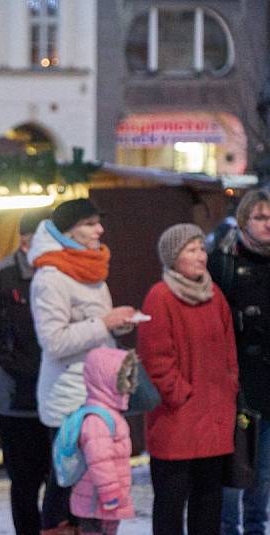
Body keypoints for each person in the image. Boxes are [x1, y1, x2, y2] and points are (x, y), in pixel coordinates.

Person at [27, 198, 137, 534]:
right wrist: (104, 323)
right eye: (90, 224)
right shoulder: (50, 277)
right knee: (67, 482)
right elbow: (54, 341)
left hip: (97, 396)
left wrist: (116, 325)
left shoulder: (92, 269)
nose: (99, 230)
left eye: (98, 222)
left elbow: (92, 328)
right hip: (68, 399)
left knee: (92, 486)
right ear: (68, 231)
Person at [137, 223, 238, 535]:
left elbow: (229, 349)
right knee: (170, 504)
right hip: (176, 421)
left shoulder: (214, 294)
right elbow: (156, 360)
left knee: (208, 505)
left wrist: (228, 388)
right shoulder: (160, 296)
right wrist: (182, 395)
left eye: (201, 249)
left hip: (215, 420)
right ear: (173, 257)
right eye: (191, 250)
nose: (201, 257)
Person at [0, 209, 51, 535]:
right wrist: (21, 377)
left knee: (60, 483)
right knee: (24, 483)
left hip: (57, 400)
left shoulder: (58, 274)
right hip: (17, 403)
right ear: (26, 239)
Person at [209, 188, 270, 535]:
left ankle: (256, 530)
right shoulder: (224, 260)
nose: (267, 225)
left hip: (267, 385)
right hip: (234, 388)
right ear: (244, 220)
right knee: (233, 474)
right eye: (260, 218)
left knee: (262, 477)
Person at [70, 346, 137, 535]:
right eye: (123, 376)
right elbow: (99, 461)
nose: (127, 382)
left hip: (102, 501)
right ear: (105, 380)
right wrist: (110, 495)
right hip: (98, 501)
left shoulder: (109, 413)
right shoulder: (98, 419)